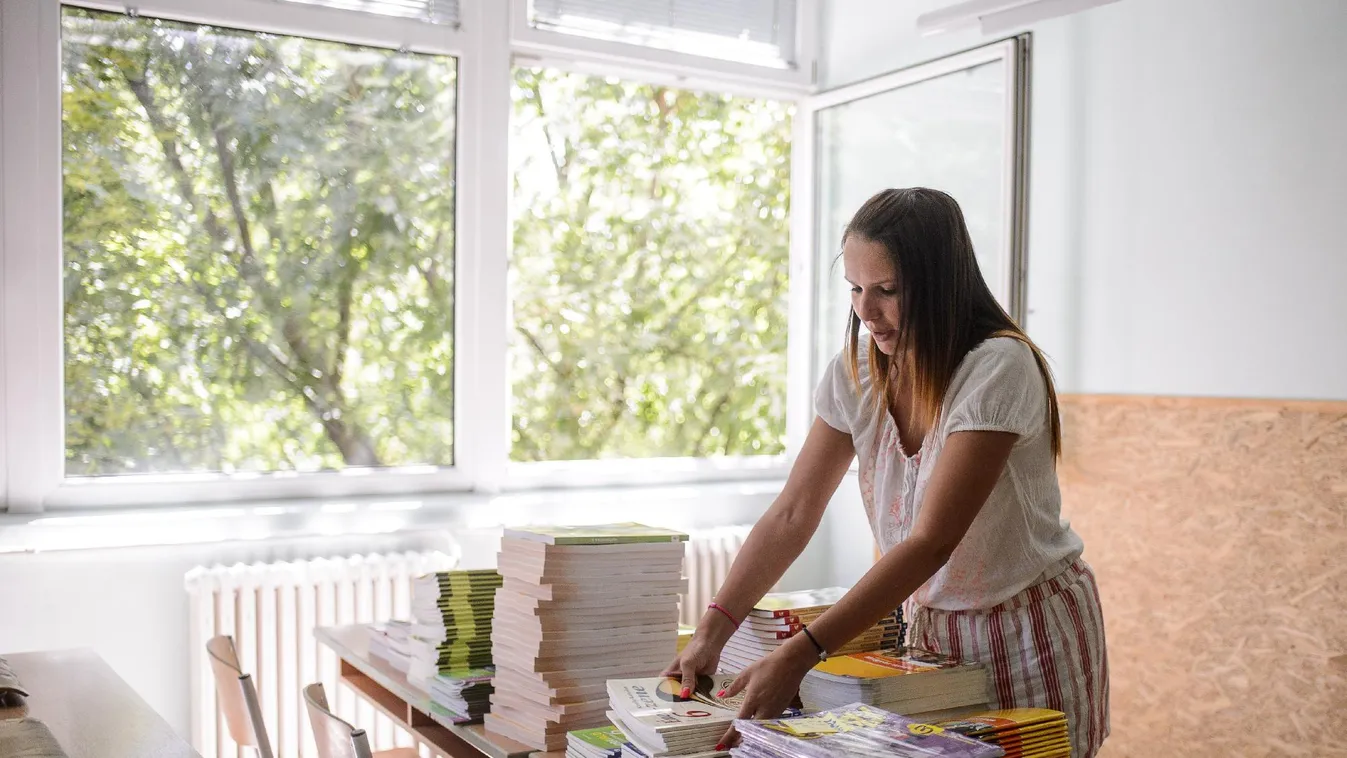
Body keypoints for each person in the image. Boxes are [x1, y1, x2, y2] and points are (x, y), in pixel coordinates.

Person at [663, 188, 1109, 757]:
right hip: (933, 633)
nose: (866, 311)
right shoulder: (858, 372)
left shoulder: (998, 366)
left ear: (941, 284)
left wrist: (802, 652)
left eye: (887, 291)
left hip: (1027, 630)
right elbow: (794, 511)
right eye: (855, 288)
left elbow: (931, 541)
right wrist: (712, 633)